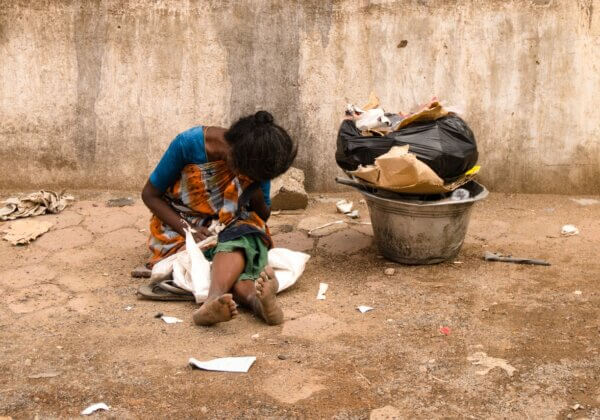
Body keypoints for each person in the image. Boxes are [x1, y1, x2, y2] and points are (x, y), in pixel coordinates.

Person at [141, 111, 297, 326]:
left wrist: (255, 189)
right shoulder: (188, 144)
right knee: (241, 252)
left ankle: (253, 301)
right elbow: (150, 195)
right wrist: (189, 229)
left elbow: (263, 215)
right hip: (180, 225)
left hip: (233, 223)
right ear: (234, 156)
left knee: (244, 235)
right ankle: (225, 300)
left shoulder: (258, 160)